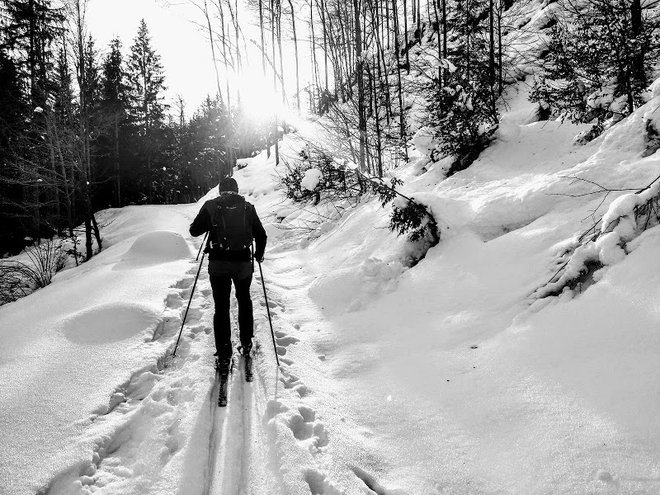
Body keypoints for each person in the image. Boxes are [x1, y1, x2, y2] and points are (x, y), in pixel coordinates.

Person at [189, 177, 267, 370]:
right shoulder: (248, 208)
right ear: (237, 190)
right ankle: (246, 342)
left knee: (221, 307)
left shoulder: (211, 206)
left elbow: (194, 231)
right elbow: (261, 235)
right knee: (244, 299)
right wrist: (258, 255)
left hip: (219, 264)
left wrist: (210, 224)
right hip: (242, 263)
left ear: (221, 191)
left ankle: (224, 354)